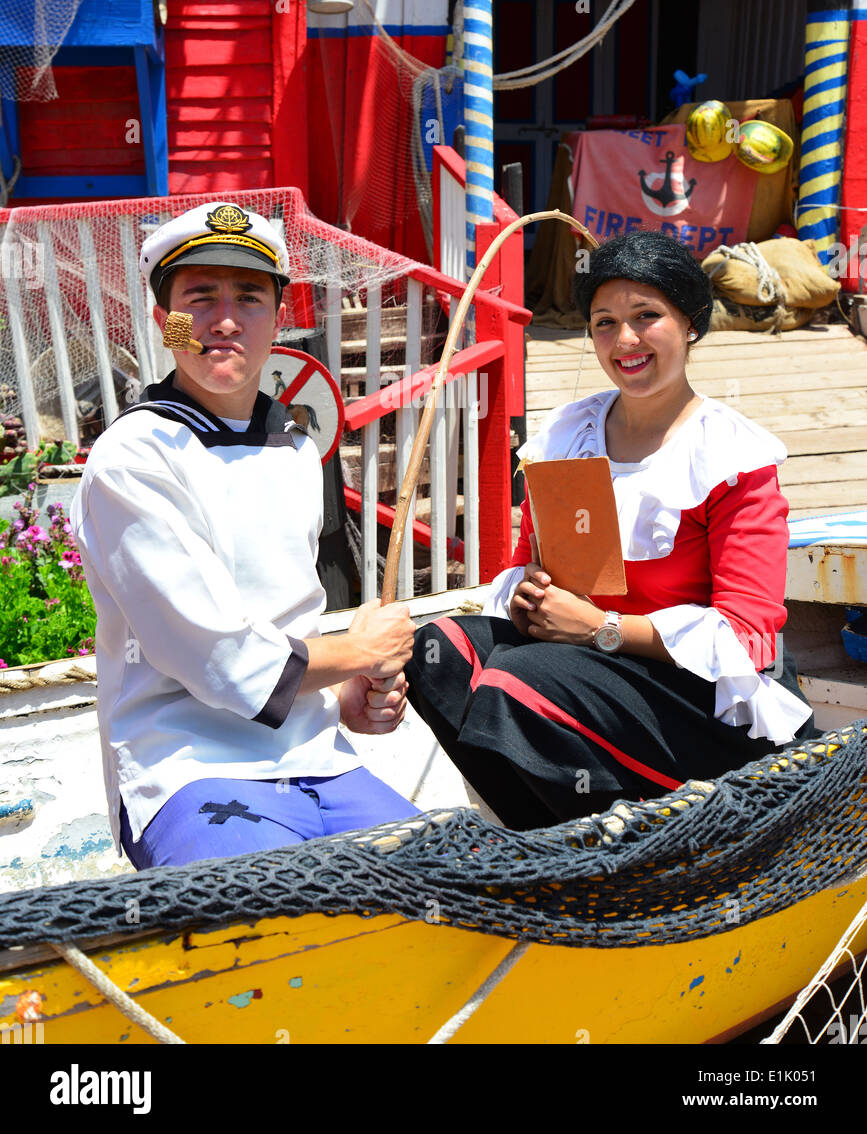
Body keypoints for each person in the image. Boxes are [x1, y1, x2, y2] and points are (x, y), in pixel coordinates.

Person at [406, 230, 815, 830]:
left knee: (519, 681)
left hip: (699, 698)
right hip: (582, 671)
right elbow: (529, 561)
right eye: (604, 322)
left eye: (647, 316)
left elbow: (749, 636)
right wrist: (527, 597)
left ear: (691, 324)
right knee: (437, 652)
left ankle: (635, 851)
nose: (625, 340)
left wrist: (602, 629)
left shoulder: (732, 457)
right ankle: (546, 836)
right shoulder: (569, 435)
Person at [71, 202, 417, 869]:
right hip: (185, 767)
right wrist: (357, 650)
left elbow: (291, 622)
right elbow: (220, 658)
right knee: (273, 919)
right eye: (198, 298)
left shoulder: (291, 447)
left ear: (278, 320)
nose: (224, 322)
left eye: (250, 299)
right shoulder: (133, 458)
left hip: (319, 759)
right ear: (163, 321)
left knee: (455, 890)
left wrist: (351, 693)